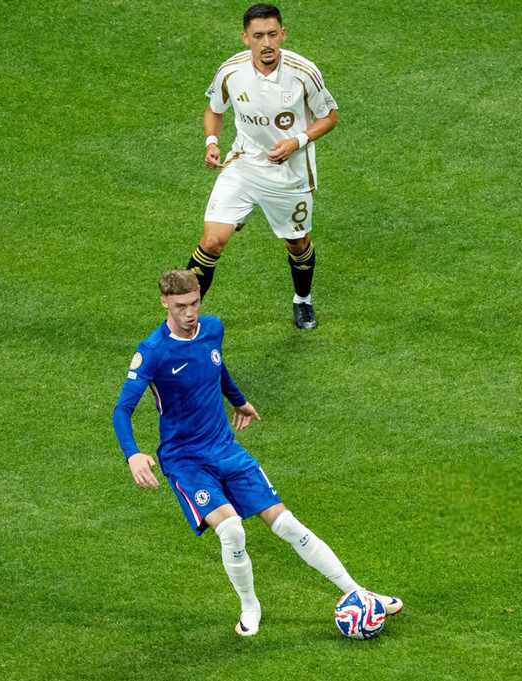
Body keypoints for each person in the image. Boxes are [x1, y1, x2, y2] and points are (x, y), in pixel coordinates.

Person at [112, 269, 401, 636]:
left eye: (195, 303)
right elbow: (122, 409)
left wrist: (239, 400)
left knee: (287, 524)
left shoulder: (213, 328)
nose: (190, 312)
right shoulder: (152, 351)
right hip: (185, 459)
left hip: (225, 448)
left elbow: (217, 366)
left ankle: (359, 593)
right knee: (232, 530)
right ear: (165, 302)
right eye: (181, 306)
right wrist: (133, 454)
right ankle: (250, 606)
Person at [186, 3, 339, 330]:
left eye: (272, 34)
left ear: (283, 34)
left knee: (297, 244)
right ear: (245, 38)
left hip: (290, 175)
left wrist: (296, 141)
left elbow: (329, 117)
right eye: (258, 36)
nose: (266, 42)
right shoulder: (231, 71)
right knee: (211, 242)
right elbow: (214, 109)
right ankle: (184, 320)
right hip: (243, 165)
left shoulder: (304, 72)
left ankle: (302, 300)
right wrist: (211, 142)